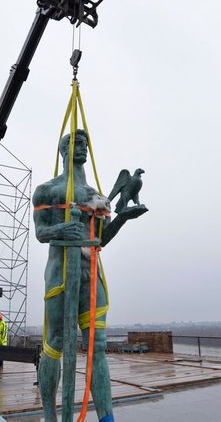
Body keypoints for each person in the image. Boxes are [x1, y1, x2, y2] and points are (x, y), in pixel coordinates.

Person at [33, 130, 147, 422]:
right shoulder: (47, 190)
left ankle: (107, 418)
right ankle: (50, 417)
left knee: (97, 345)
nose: (81, 147)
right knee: (55, 342)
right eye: (74, 143)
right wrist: (62, 230)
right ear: (63, 149)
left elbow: (100, 239)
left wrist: (122, 217)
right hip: (60, 275)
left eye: (84, 143)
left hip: (91, 274)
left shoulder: (95, 195)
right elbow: (41, 232)